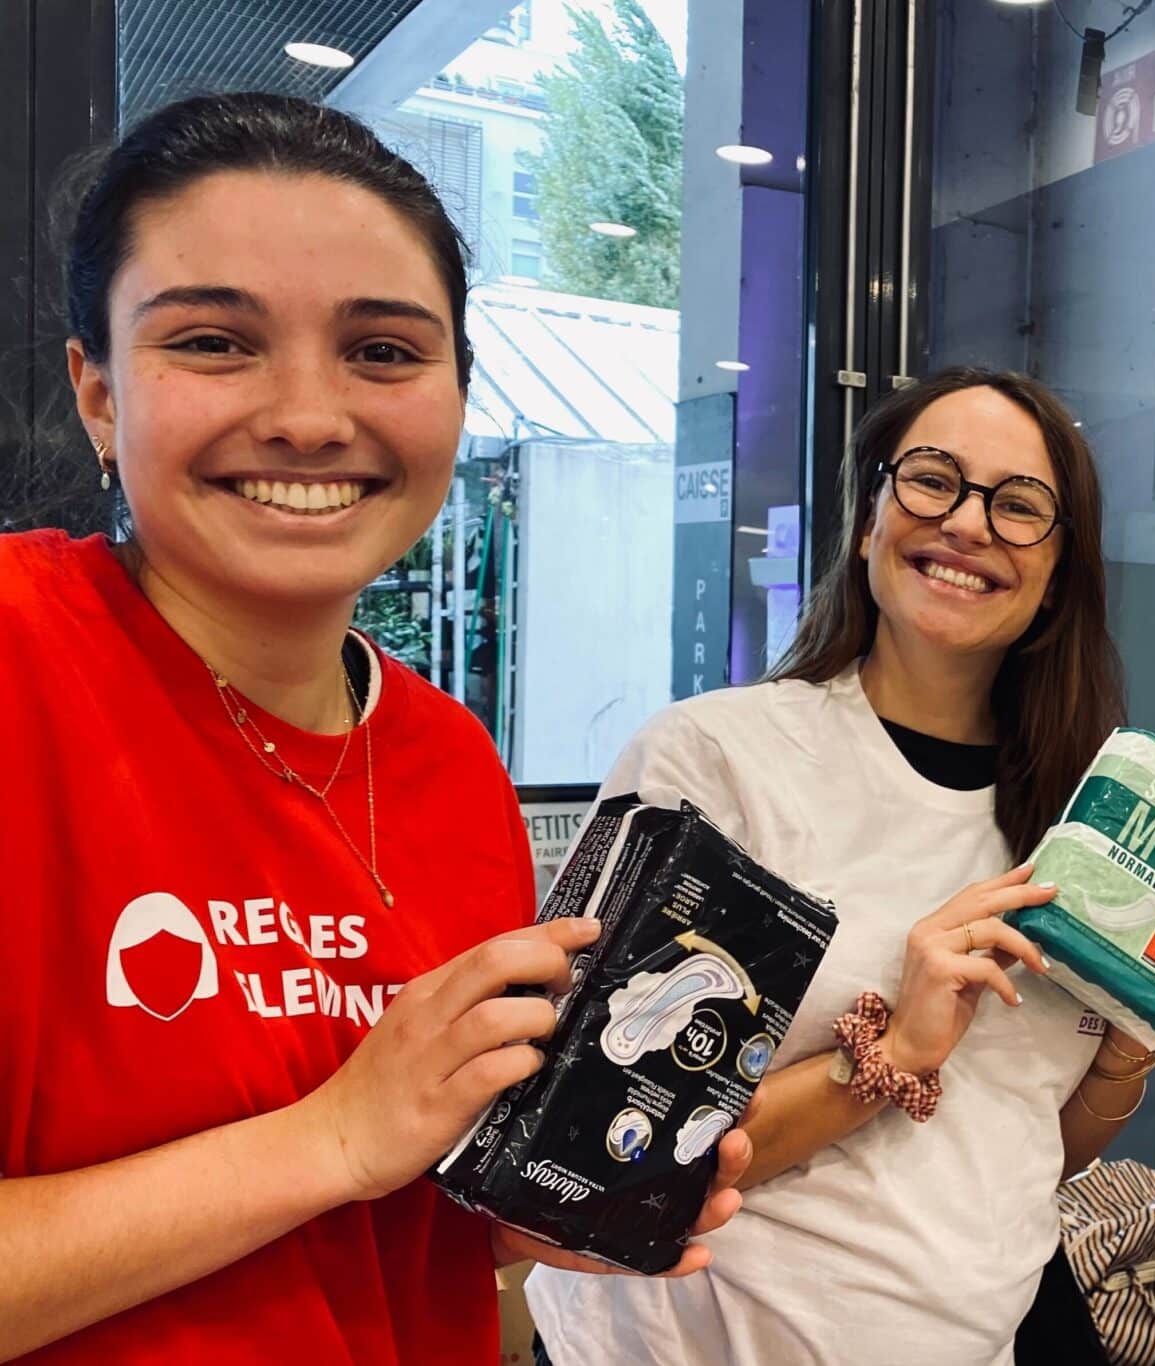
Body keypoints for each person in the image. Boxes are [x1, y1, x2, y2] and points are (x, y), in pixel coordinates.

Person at [0, 92, 744, 1365]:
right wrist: (334, 1137)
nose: (307, 414)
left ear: (457, 391)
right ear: (99, 392)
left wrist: (530, 1204)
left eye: (384, 352)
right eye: (215, 341)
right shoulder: (24, 663)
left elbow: (373, 1217)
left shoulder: (449, 759)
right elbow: (344, 1147)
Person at [524, 366, 1155, 1365]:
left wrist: (1143, 1027)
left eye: (1019, 506)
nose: (968, 523)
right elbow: (591, 1149)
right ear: (868, 519)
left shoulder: (1083, 830)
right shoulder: (718, 759)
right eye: (933, 480)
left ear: (1058, 573)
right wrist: (889, 1052)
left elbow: (1016, 1154)